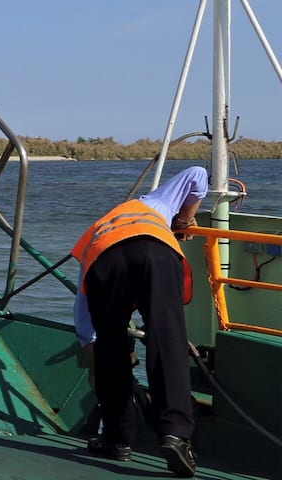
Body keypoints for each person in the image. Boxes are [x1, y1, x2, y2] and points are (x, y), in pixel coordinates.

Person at [70, 165, 207, 477]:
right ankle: (175, 435)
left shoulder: (96, 230)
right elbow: (197, 174)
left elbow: (84, 323)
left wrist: (94, 370)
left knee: (110, 345)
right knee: (167, 339)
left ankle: (117, 440)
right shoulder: (155, 203)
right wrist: (184, 220)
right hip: (156, 251)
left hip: (105, 259)